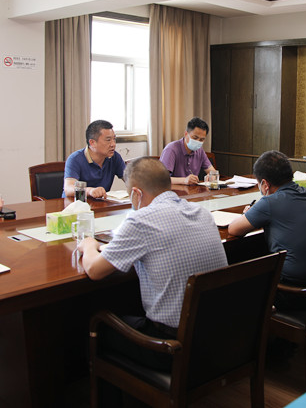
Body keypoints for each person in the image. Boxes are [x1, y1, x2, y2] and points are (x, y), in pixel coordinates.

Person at [78, 157, 227, 370]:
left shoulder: (141, 220)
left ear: (136, 193)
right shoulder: (201, 212)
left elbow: (94, 270)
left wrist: (88, 245)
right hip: (215, 335)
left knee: (99, 327)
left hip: (171, 346)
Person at [227, 151, 306, 309]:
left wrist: (249, 213)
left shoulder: (269, 202)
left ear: (264, 184)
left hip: (292, 290)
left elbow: (234, 229)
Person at [64, 120, 126, 200]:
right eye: (108, 140)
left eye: (114, 139)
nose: (113, 144)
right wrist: (90, 191)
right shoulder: (75, 159)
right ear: (92, 143)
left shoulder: (114, 157)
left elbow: (130, 180)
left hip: (101, 204)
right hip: (75, 204)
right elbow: (68, 188)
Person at [159, 117, 216, 185]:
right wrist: (184, 180)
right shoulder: (171, 149)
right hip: (173, 190)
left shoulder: (200, 151)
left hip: (192, 190)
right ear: (186, 134)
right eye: (195, 137)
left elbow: (213, 172)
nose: (198, 141)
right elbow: (162, 179)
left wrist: (211, 176)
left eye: (201, 139)